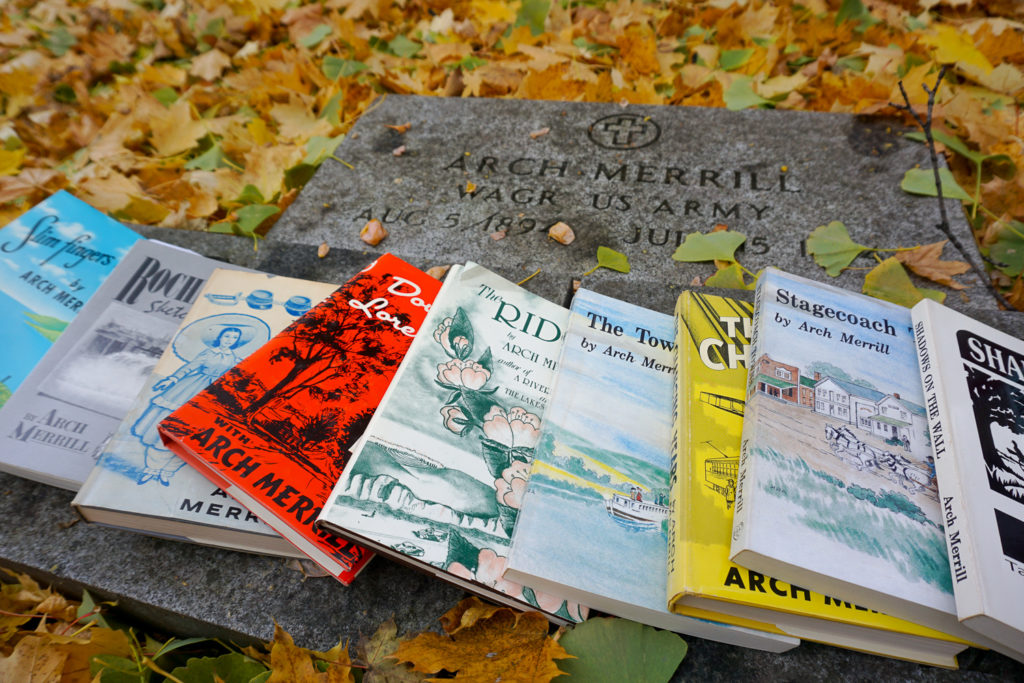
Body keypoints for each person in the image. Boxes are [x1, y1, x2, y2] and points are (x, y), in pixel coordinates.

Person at [131, 326, 245, 486]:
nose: (229, 340)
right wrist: (172, 379)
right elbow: (189, 367)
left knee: (194, 435)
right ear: (220, 337)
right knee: (168, 427)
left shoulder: (235, 359)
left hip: (214, 395)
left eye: (233, 338)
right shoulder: (208, 353)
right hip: (189, 389)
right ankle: (152, 469)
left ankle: (167, 471)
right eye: (227, 336)